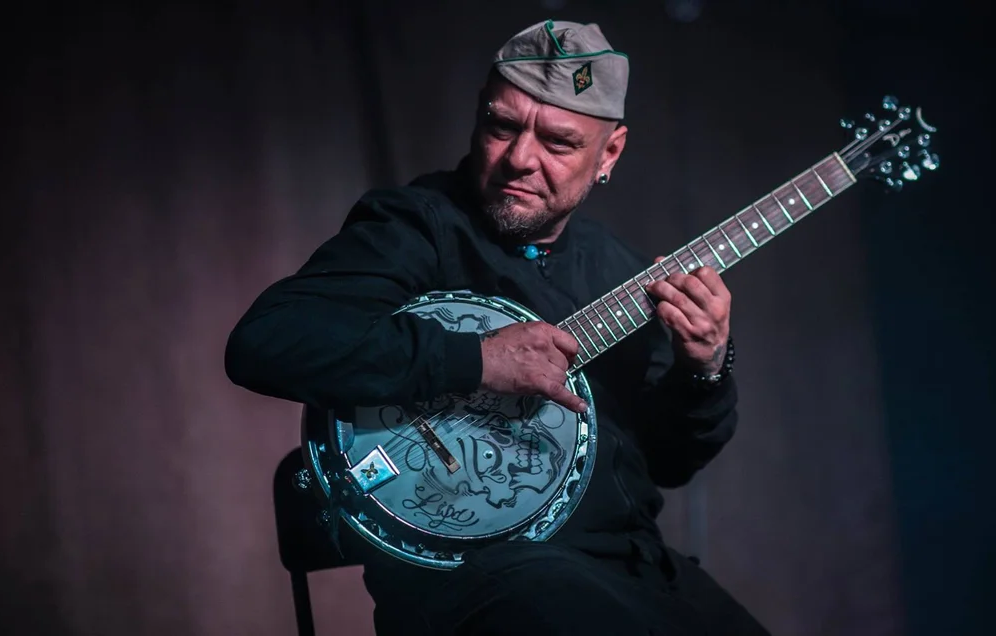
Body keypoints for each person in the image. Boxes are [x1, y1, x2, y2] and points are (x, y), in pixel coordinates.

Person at [225, 18, 770, 636]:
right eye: (501, 126)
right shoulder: (417, 228)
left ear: (609, 154)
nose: (519, 159)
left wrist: (705, 369)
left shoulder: (620, 272)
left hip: (638, 571)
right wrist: (477, 359)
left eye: (558, 143)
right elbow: (267, 342)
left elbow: (669, 463)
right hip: (488, 582)